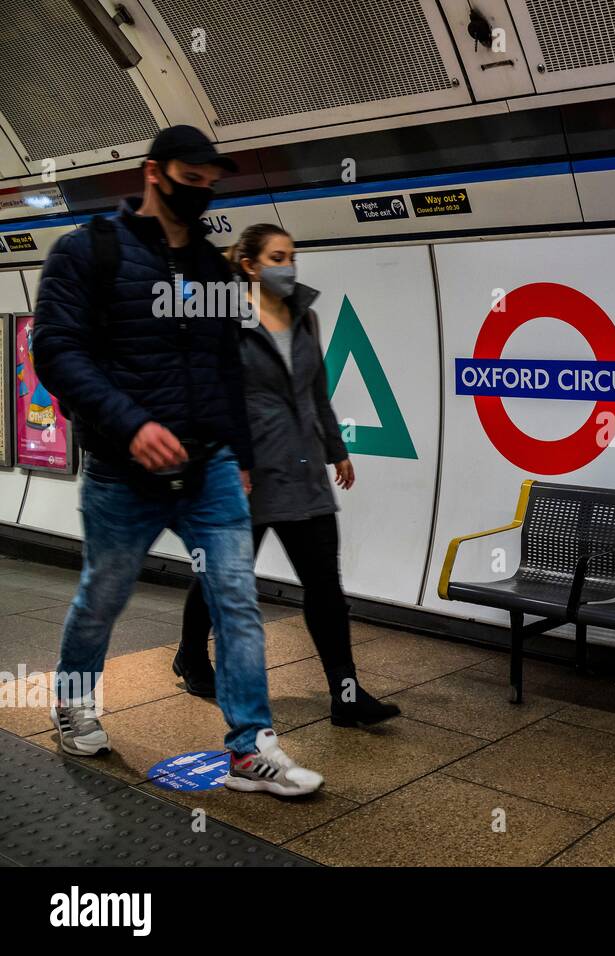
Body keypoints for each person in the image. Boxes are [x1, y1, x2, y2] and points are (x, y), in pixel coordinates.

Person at [34, 125, 323, 797]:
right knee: (103, 597)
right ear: (153, 173)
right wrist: (130, 424)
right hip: (120, 471)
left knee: (237, 601)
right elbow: (56, 351)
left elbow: (227, 368)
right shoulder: (89, 254)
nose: (201, 194)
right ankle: (72, 702)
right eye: (190, 181)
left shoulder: (214, 269)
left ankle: (251, 750)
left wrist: (242, 456)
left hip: (211, 467)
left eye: (209, 184)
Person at [173, 223, 399, 727]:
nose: (288, 265)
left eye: (292, 255)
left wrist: (336, 449)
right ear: (249, 264)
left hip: (304, 474)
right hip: (244, 478)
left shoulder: (306, 318)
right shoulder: (223, 322)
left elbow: (317, 392)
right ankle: (191, 655)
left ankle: (346, 694)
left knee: (326, 591)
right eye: (277, 256)